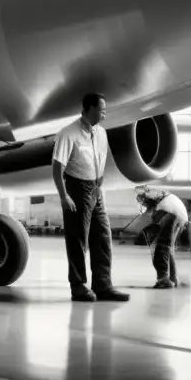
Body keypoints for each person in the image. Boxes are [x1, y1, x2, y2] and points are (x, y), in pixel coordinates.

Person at [52, 93, 129, 302]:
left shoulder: (102, 133)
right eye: (102, 109)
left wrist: (99, 185)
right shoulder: (68, 134)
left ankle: (103, 285)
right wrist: (64, 196)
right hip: (77, 188)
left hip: (95, 188)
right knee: (78, 240)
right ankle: (78, 287)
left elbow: (101, 160)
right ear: (89, 109)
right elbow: (57, 167)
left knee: (103, 237)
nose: (105, 112)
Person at [136, 187, 189, 289]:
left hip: (172, 215)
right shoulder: (164, 196)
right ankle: (173, 279)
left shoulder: (160, 203)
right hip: (181, 217)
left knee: (162, 246)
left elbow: (155, 220)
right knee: (169, 249)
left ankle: (163, 279)